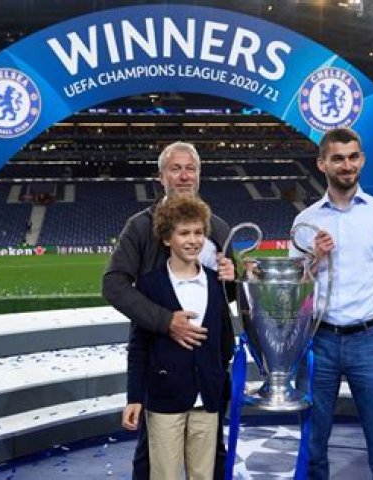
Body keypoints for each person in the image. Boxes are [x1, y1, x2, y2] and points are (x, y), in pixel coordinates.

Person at [102, 141, 235, 480]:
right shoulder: (140, 226)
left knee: (212, 458)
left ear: (199, 175)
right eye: (175, 169)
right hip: (160, 365)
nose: (184, 176)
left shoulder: (217, 227)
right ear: (161, 177)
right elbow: (114, 284)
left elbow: (228, 296)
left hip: (208, 369)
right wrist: (165, 321)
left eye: (191, 168)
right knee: (152, 459)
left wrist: (235, 278)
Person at [290, 127, 373, 479]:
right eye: (338, 159)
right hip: (318, 340)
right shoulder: (305, 221)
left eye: (353, 157)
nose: (347, 165)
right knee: (312, 450)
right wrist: (314, 259)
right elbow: (294, 295)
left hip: (370, 341)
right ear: (322, 164)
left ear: (362, 160)